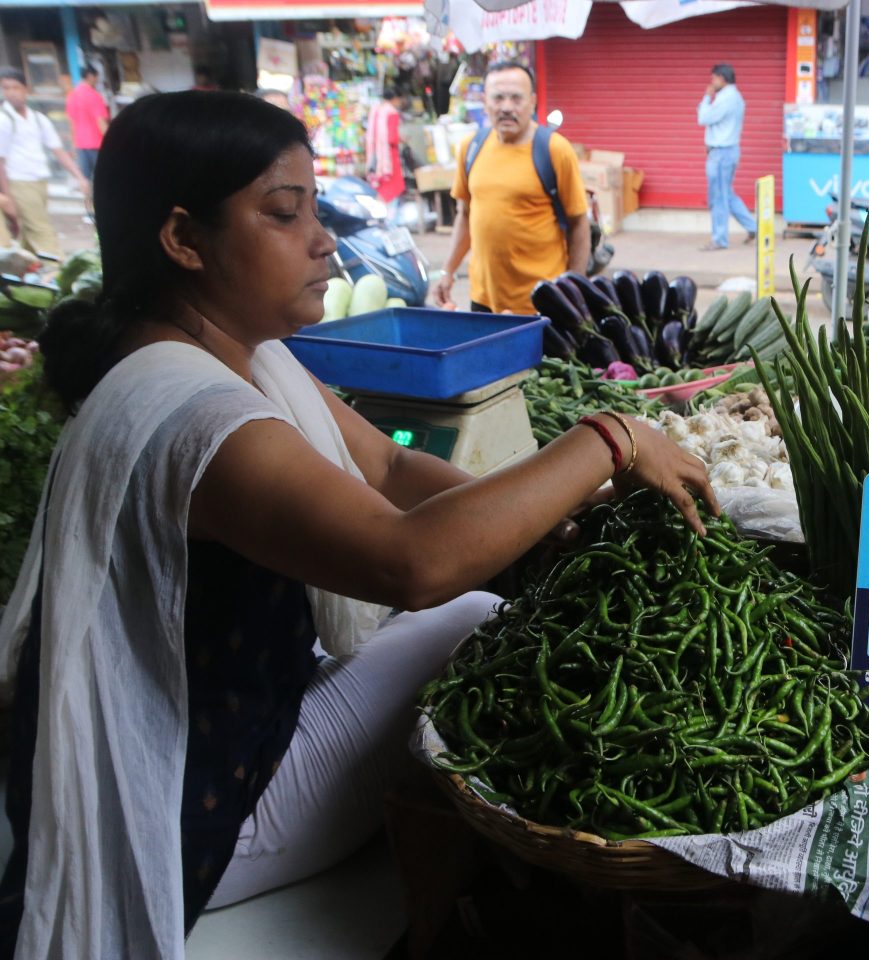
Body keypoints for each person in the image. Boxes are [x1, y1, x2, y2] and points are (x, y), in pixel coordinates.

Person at [0, 90, 716, 958]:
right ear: (183, 239)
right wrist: (607, 439)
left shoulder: (233, 357)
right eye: (282, 213)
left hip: (218, 732)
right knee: (479, 620)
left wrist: (550, 518)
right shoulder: (192, 418)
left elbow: (386, 467)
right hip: (194, 813)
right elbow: (404, 562)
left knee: (474, 611)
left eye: (315, 208)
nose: (323, 240)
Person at [434, 61, 589, 314]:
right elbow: (465, 215)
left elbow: (578, 223)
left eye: (517, 98)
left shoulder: (554, 150)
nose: (507, 107)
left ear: (532, 102)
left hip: (541, 301)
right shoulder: (471, 147)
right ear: (485, 101)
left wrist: (573, 288)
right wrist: (447, 271)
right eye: (498, 98)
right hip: (484, 300)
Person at [0, 67, 90, 255]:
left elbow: (58, 150)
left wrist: (79, 177)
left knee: (27, 230)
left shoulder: (38, 119)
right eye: (6, 88)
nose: (11, 93)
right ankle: (58, 268)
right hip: (19, 182)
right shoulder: (4, 119)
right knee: (41, 230)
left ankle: (23, 272)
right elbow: (1, 161)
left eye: (15, 88)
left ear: (26, 89)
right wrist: (7, 196)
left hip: (39, 180)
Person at [697, 63, 757, 252]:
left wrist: (707, 97)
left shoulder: (726, 98)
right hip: (726, 152)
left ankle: (720, 239)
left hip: (721, 153)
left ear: (722, 78)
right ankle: (755, 228)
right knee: (727, 194)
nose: (711, 82)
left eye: (713, 78)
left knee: (719, 197)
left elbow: (703, 118)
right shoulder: (734, 97)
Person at [64, 65, 108, 186]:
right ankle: (101, 204)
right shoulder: (94, 96)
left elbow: (71, 123)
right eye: (96, 78)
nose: (97, 82)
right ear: (90, 77)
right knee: (103, 180)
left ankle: (88, 204)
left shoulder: (72, 96)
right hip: (97, 146)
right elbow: (101, 123)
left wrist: (73, 146)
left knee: (85, 181)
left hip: (80, 146)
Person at [366, 87, 405, 217]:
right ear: (395, 99)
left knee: (381, 187)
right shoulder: (391, 112)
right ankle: (390, 218)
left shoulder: (376, 110)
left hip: (375, 155)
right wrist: (402, 140)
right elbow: (392, 138)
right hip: (388, 158)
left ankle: (381, 216)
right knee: (393, 187)